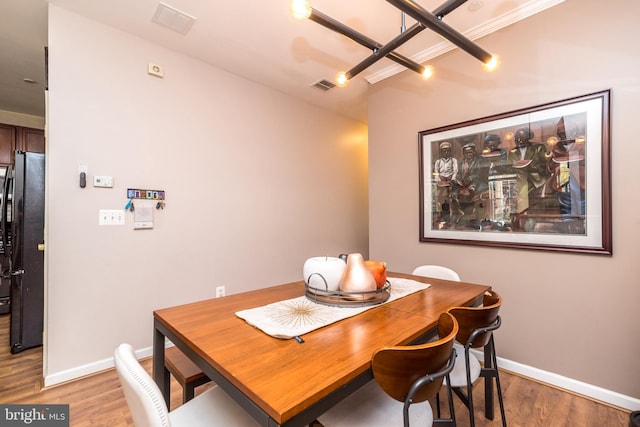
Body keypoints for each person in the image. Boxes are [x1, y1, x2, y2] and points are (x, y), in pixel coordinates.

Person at [546, 116, 586, 217]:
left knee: (582, 202)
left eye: (566, 131)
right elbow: (549, 166)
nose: (563, 134)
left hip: (579, 179)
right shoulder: (556, 147)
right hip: (562, 178)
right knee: (565, 202)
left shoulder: (582, 145)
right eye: (561, 132)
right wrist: (555, 165)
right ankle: (568, 221)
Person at [507, 127, 548, 213]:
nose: (519, 141)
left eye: (521, 139)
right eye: (516, 139)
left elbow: (545, 164)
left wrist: (534, 168)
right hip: (518, 178)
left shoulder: (538, 147)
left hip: (534, 179)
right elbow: (509, 167)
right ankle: (520, 214)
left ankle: (525, 215)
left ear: (528, 138)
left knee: (526, 198)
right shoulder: (512, 151)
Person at [433, 141, 462, 224]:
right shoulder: (438, 162)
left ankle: (455, 214)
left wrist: (452, 180)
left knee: (453, 197)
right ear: (441, 152)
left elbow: (455, 171)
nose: (446, 152)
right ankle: (439, 215)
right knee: (438, 196)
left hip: (451, 180)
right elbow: (436, 173)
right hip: (441, 181)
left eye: (448, 150)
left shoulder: (453, 160)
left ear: (450, 151)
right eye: (444, 151)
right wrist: (438, 181)